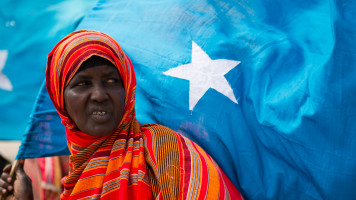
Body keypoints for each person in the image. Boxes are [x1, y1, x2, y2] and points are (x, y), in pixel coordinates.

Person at [0, 30, 243, 200]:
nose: (99, 95)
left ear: (127, 87)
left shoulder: (166, 151)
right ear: (60, 100)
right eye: (82, 84)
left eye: (111, 80)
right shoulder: (75, 181)